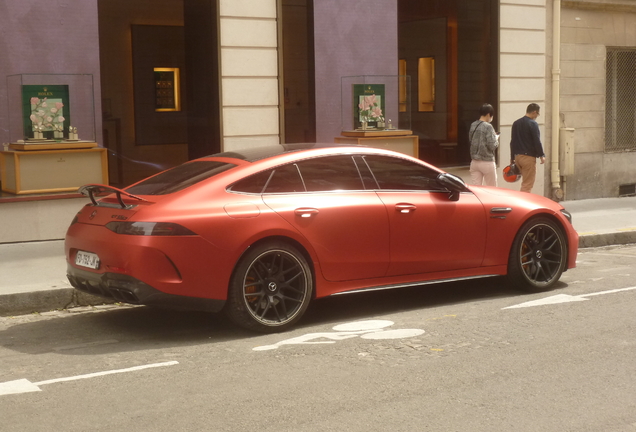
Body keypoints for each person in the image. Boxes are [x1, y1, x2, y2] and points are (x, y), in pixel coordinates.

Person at [510, 103, 545, 193]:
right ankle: (523, 204)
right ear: (534, 112)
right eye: (538, 114)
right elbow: (537, 141)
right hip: (528, 158)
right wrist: (541, 155)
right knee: (527, 185)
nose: (537, 116)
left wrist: (512, 157)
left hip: (517, 157)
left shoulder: (516, 123)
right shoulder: (533, 124)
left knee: (525, 182)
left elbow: (512, 142)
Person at [468, 103, 499, 186]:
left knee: (477, 189)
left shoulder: (473, 125)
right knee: (492, 189)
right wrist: (496, 138)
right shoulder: (488, 126)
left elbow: (471, 140)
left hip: (474, 162)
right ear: (489, 114)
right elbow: (492, 145)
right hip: (487, 161)